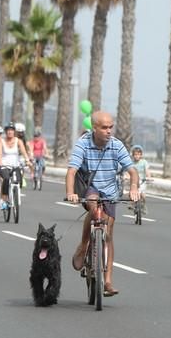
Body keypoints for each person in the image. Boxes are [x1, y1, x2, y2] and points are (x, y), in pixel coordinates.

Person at [65, 111, 140, 297]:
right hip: (90, 187)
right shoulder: (83, 143)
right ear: (94, 128)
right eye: (104, 127)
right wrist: (70, 193)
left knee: (108, 234)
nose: (108, 131)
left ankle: (107, 281)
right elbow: (72, 171)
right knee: (93, 204)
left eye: (110, 127)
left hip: (111, 191)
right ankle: (84, 245)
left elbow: (132, 171)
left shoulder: (116, 145)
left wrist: (133, 188)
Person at [0, 122, 32, 209]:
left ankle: (15, 195)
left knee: (19, 180)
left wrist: (27, 160)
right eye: (8, 130)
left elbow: (23, 151)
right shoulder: (1, 141)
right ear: (5, 132)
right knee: (6, 179)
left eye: (11, 130)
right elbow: (0, 153)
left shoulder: (18, 141)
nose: (10, 132)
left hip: (15, 165)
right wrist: (0, 163)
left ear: (14, 132)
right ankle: (3, 200)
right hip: (5, 165)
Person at [129, 144, 152, 215]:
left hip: (142, 180)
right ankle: (132, 204)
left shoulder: (144, 162)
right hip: (134, 181)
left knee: (143, 195)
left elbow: (147, 171)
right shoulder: (131, 163)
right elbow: (128, 171)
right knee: (132, 193)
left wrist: (149, 177)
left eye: (139, 154)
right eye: (135, 154)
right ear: (133, 155)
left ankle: (144, 206)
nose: (137, 156)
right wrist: (126, 176)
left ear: (141, 155)